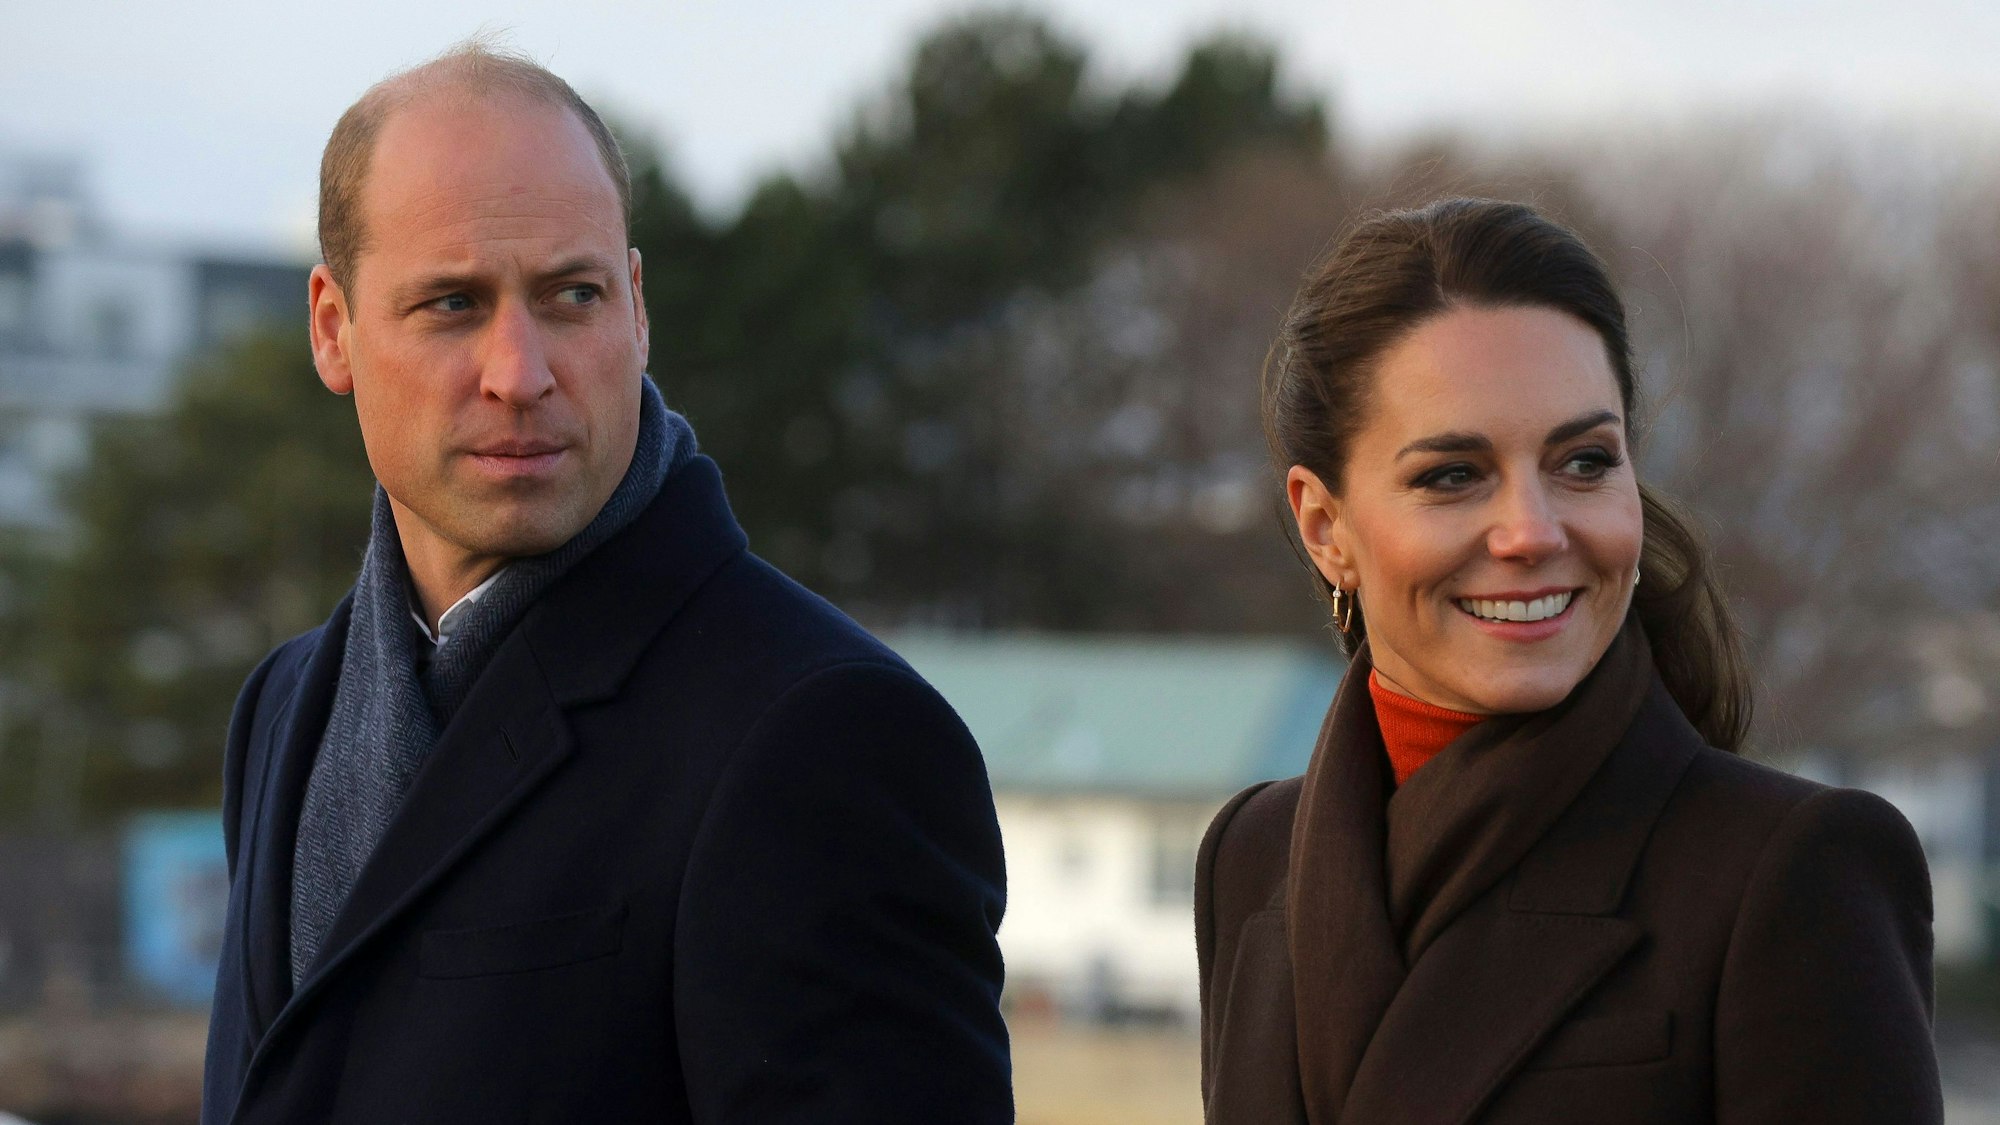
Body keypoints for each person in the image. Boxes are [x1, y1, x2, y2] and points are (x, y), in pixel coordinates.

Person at [200, 41, 1011, 1125]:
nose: (520, 372)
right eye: (450, 304)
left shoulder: (822, 731)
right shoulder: (285, 705)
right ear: (332, 327)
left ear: (634, 307)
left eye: (569, 296)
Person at [1194, 198, 1941, 1123]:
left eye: (1584, 461)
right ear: (1324, 526)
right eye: (1452, 475)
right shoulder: (1252, 855)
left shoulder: (1790, 873)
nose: (1533, 532)